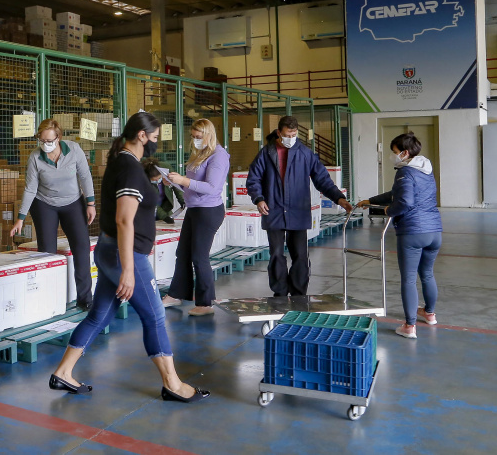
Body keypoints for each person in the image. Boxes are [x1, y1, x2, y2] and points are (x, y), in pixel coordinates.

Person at [48, 112, 209, 403]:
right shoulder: (128, 167)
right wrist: (129, 271)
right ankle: (172, 383)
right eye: (156, 138)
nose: (157, 144)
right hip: (125, 255)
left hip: (113, 251)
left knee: (100, 315)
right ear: (142, 136)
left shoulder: (125, 162)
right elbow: (124, 221)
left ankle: (63, 372)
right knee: (155, 317)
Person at [246, 116, 353, 297]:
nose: (291, 137)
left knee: (301, 256)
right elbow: (253, 178)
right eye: (288, 134)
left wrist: (339, 198)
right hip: (273, 210)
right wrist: (258, 199)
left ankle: (298, 294)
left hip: (298, 210)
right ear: (279, 133)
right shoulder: (266, 153)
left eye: (294, 134)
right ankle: (279, 293)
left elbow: (322, 179)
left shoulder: (305, 154)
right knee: (276, 255)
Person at [357, 132, 442, 339]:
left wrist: (388, 211)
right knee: (427, 274)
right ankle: (429, 314)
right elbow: (395, 194)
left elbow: (404, 202)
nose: (392, 156)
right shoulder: (424, 169)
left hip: (413, 232)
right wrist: (370, 200)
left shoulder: (405, 173)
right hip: (434, 231)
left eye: (394, 152)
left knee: (409, 279)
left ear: (404, 153)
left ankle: (409, 326)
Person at [10, 119, 97, 311]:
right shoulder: (35, 157)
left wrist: (90, 203)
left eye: (49, 140)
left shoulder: (74, 150)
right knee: (47, 252)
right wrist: (20, 218)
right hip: (44, 204)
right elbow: (30, 189)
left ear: (59, 137)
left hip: (73, 202)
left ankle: (85, 298)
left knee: (81, 248)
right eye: (41, 140)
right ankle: (50, 299)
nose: (45, 144)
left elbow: (85, 176)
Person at [161, 119, 230, 316]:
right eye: (193, 136)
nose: (195, 140)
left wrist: (184, 180)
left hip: (208, 211)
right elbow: (192, 184)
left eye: (198, 137)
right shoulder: (200, 154)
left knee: (199, 257)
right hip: (194, 209)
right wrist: (175, 182)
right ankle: (176, 293)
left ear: (208, 135)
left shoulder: (218, 156)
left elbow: (211, 187)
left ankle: (206, 302)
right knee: (182, 253)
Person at [142, 158, 185, 224]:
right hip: (148, 211)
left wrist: (182, 200)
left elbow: (175, 185)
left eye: (159, 178)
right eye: (154, 180)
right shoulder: (142, 179)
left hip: (166, 206)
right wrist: (164, 217)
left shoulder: (166, 168)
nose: (157, 181)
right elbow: (151, 201)